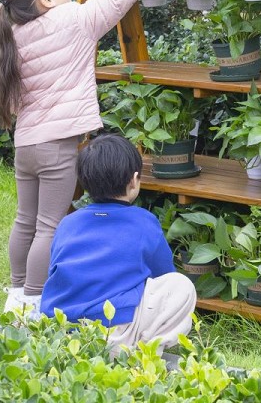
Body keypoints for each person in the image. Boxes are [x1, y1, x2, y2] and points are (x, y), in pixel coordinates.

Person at [0, 0, 170, 317]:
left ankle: (16, 291)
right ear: (45, 0)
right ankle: (34, 302)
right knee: (49, 226)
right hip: (56, 146)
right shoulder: (75, 20)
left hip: (27, 146)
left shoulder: (14, 35)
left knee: (25, 220)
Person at [40, 133, 196, 355]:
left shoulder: (67, 223)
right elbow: (163, 274)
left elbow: (56, 270)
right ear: (134, 180)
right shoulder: (144, 221)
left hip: (62, 330)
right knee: (181, 286)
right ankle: (144, 352)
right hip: (114, 329)